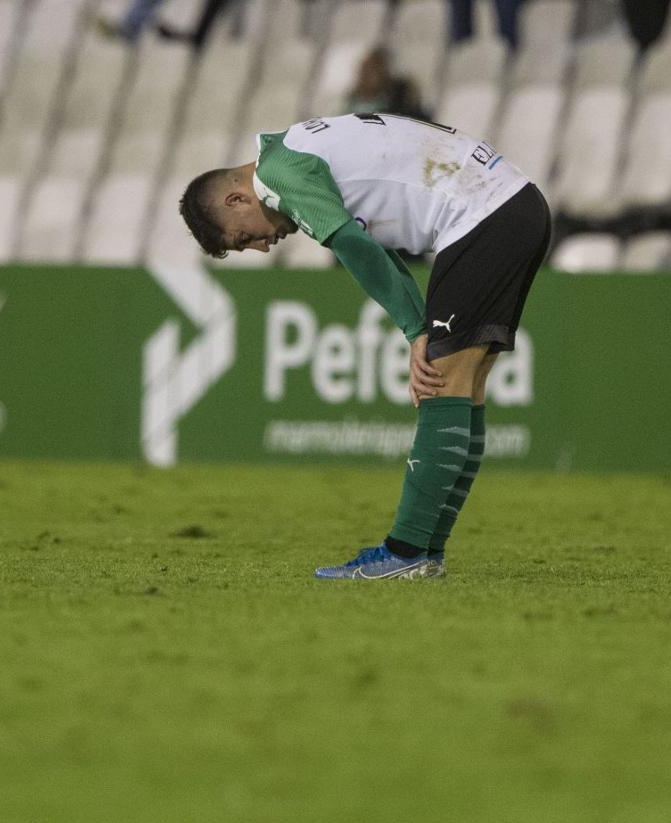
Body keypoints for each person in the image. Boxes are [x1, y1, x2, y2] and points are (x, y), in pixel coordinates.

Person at [177, 113, 551, 579]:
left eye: (244, 238)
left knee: (441, 385)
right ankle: (425, 552)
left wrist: (416, 331)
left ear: (236, 199)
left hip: (483, 215)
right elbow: (375, 246)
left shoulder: (280, 175)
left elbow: (355, 249)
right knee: (465, 388)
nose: (262, 247)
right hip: (514, 207)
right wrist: (418, 327)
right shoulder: (294, 155)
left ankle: (406, 551)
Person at [345, 47, 431, 123]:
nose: (364, 76)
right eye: (363, 70)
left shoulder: (400, 107)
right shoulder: (348, 101)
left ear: (385, 74)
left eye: (372, 71)